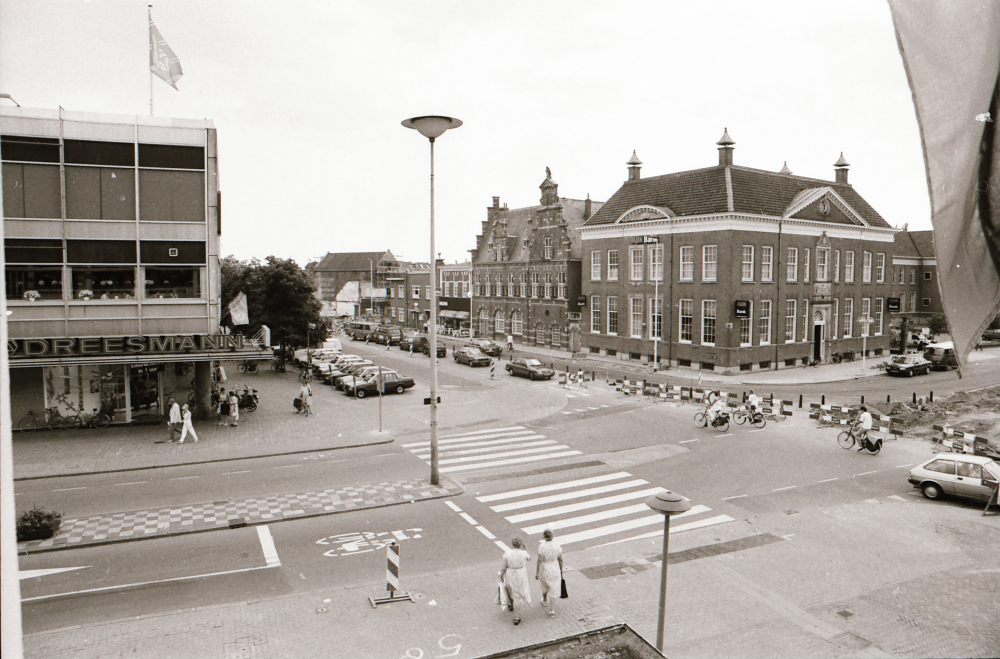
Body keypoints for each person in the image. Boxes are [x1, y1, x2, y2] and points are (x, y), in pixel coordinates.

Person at [499, 537, 532, 625]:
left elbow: (503, 567)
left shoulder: (507, 553)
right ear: (521, 545)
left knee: (510, 589)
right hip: (521, 573)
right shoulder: (524, 553)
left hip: (510, 572)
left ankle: (511, 604)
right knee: (519, 593)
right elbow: (529, 558)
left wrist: (501, 576)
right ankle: (517, 616)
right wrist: (526, 549)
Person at [535, 530, 564, 618]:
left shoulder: (541, 546)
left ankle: (544, 599)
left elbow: (539, 560)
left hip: (545, 567)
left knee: (544, 584)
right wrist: (561, 570)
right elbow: (560, 559)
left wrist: (537, 572)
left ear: (544, 537)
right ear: (552, 536)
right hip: (555, 567)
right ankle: (552, 609)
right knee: (554, 587)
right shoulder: (557, 546)